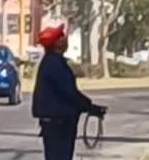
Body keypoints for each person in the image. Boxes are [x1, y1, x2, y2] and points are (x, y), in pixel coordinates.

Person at [32, 25, 106, 160]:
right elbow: (69, 92)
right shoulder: (54, 64)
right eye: (62, 37)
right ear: (56, 43)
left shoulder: (53, 61)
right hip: (58, 122)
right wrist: (89, 106)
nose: (65, 39)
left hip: (57, 121)